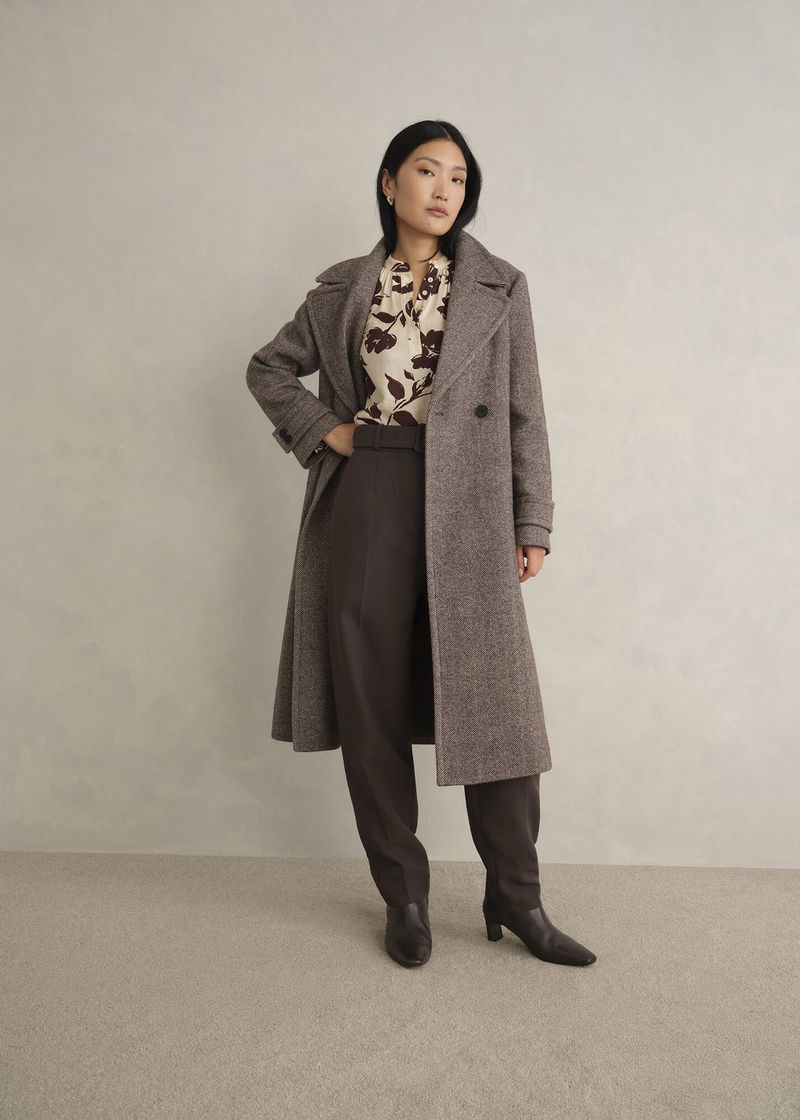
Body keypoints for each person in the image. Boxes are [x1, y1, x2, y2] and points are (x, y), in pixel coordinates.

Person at [246, 120, 596, 970]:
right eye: (427, 171)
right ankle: (403, 896)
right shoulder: (341, 289)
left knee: (496, 702)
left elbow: (527, 413)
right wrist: (327, 432)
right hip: (370, 491)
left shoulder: (499, 287)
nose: (444, 189)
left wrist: (533, 521)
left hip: (471, 499)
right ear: (389, 182)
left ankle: (517, 897)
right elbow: (268, 368)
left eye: (458, 176)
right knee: (370, 697)